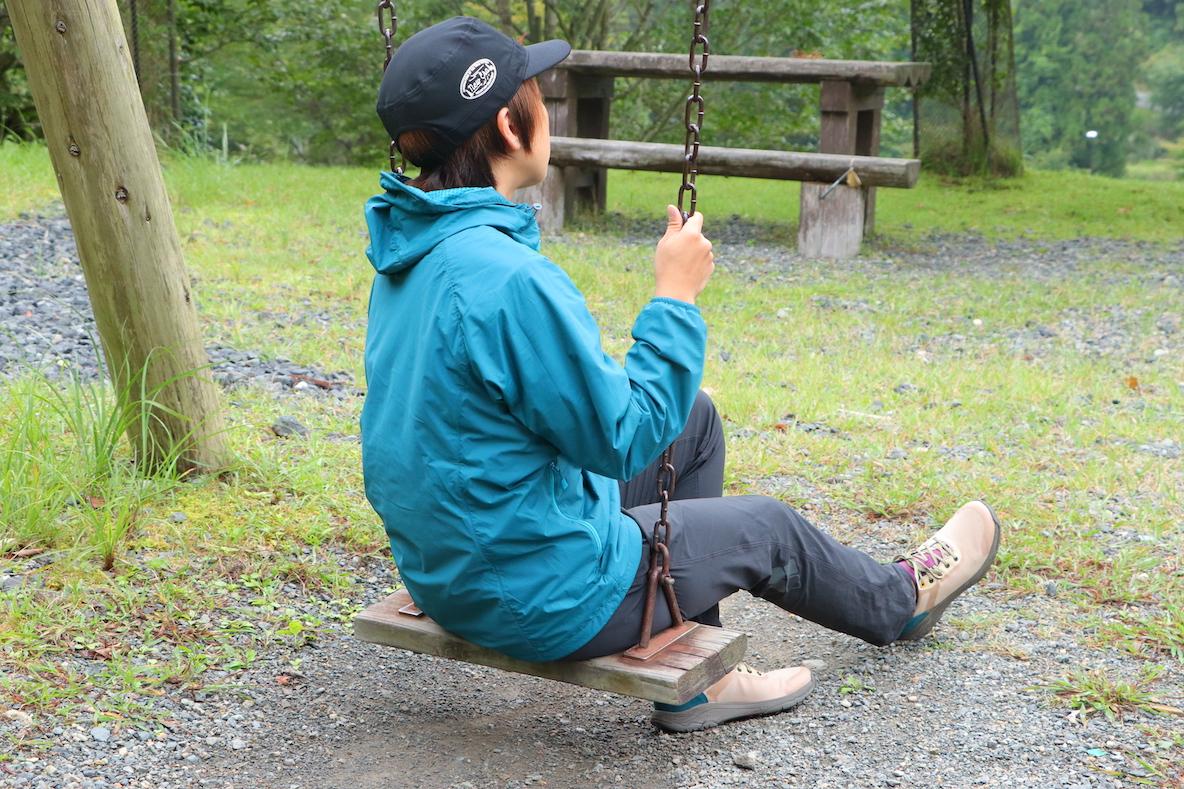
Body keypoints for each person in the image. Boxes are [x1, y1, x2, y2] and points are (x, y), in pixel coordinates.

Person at [361, 16, 1002, 733]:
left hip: (454, 564)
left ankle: (701, 678)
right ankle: (900, 599)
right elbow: (621, 437)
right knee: (766, 528)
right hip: (537, 593)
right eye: (535, 90)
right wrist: (674, 296)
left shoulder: (413, 253)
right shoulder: (505, 277)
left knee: (692, 417)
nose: (544, 105)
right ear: (510, 127)